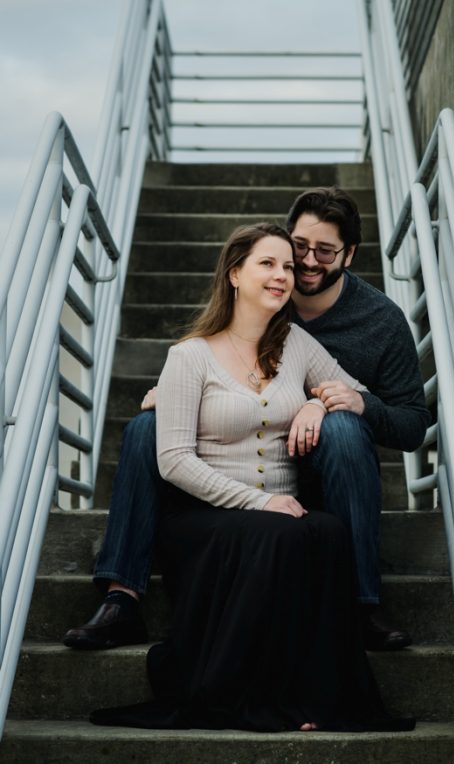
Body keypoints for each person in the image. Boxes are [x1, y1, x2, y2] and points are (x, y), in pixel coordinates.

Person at [65, 187, 432, 652]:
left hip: (327, 469)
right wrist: (181, 396)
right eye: (296, 249)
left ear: (350, 254)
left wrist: (333, 402)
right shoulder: (255, 297)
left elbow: (413, 424)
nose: (304, 263)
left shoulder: (378, 320)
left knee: (342, 427)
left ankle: (360, 604)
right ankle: (122, 597)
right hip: (235, 466)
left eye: (325, 251)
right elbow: (208, 356)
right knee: (145, 428)